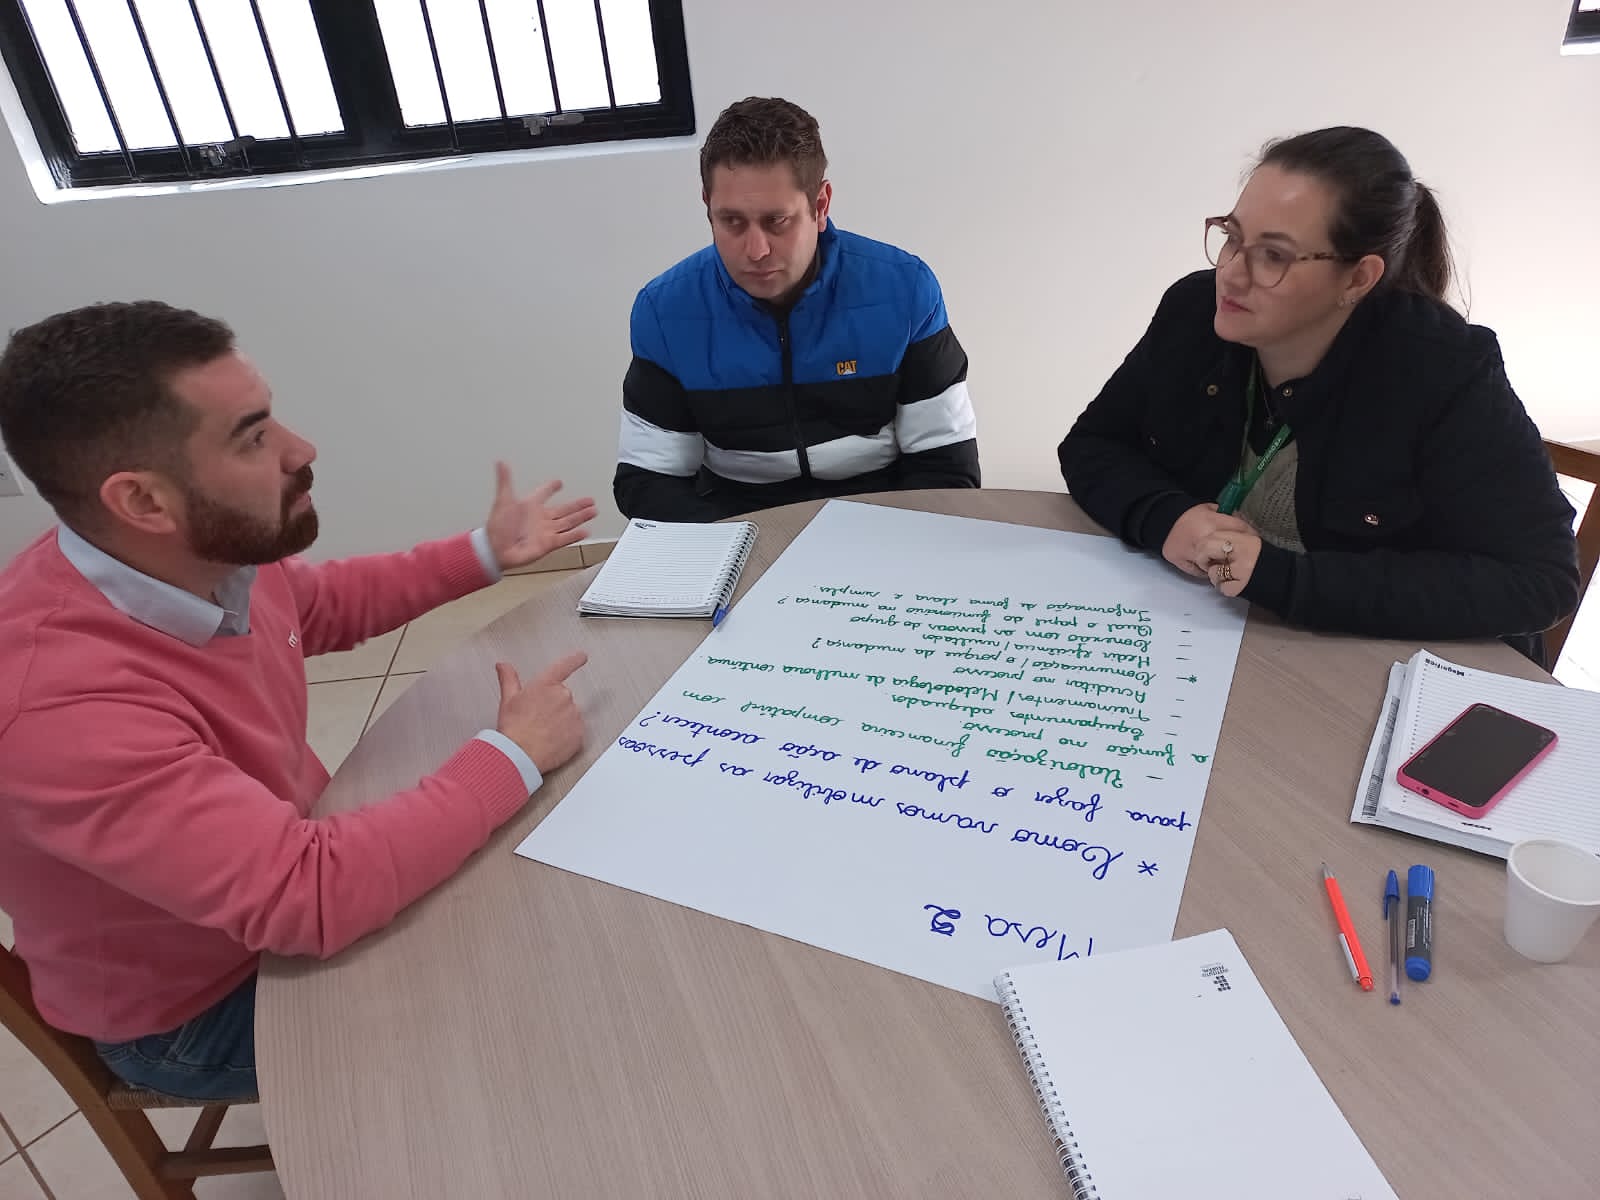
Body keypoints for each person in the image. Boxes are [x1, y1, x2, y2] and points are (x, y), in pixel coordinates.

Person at [0, 301, 597, 1101]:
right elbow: (309, 896)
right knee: (530, 1010)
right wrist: (512, 756)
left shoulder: (186, 555)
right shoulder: (57, 708)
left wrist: (483, 553)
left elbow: (315, 606)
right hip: (195, 1009)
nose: (300, 449)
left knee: (536, 908)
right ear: (142, 502)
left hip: (278, 888)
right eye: (251, 438)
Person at [1057, 127, 1578, 663]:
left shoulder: (1443, 368)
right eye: (1232, 236)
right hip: (1225, 638)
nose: (1230, 274)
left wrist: (1283, 578)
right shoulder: (1194, 312)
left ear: (1357, 278)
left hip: (1391, 663)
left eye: (1273, 255)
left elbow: (1541, 581)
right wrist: (1166, 519)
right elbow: (1092, 444)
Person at [614, 96, 980, 521]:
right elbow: (649, 481)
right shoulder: (665, 312)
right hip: (737, 520)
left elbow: (945, 466)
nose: (756, 250)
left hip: (881, 513)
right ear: (707, 205)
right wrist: (735, 543)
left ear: (820, 206)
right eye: (732, 221)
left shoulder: (905, 290)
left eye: (777, 221)